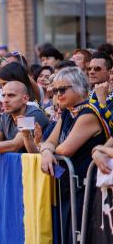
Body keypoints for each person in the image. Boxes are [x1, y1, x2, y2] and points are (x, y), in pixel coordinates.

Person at [39, 67, 109, 244]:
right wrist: (46, 151)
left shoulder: (88, 113)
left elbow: (64, 150)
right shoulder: (68, 112)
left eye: (63, 89)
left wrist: (49, 149)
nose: (58, 94)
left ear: (79, 88)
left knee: (80, 235)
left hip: (88, 188)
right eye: (55, 90)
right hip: (71, 186)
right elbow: (50, 142)